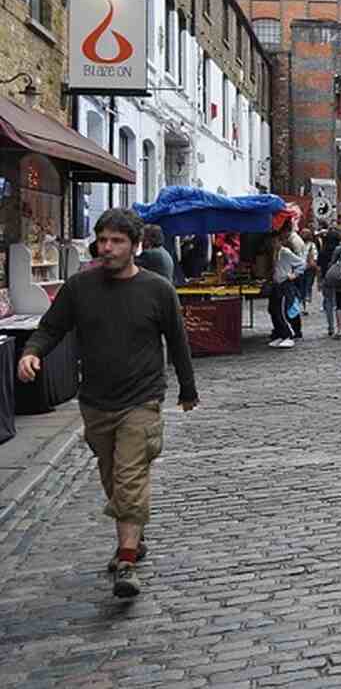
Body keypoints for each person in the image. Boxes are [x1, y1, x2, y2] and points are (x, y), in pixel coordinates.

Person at [18, 208, 197, 599]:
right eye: (103, 240)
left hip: (142, 400)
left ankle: (127, 560)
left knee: (130, 477)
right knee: (113, 478)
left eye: (117, 241)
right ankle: (135, 533)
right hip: (96, 401)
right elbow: (51, 328)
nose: (107, 248)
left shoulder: (157, 290)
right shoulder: (80, 288)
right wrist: (32, 352)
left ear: (135, 246)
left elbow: (178, 341)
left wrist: (187, 389)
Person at [269, 230, 305, 348]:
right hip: (277, 284)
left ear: (280, 241)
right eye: (272, 242)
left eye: (275, 241)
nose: (273, 244)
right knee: (274, 310)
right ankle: (281, 333)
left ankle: (290, 335)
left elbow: (301, 263)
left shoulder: (285, 252)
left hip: (285, 284)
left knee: (283, 311)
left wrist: (294, 274)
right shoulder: (275, 252)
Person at [317, 228, 341, 337]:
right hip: (340, 279)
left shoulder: (323, 251)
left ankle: (331, 326)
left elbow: (318, 268)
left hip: (326, 278)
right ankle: (340, 325)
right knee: (339, 303)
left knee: (328, 303)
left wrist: (318, 281)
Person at [299, 228, 319, 315]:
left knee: (305, 287)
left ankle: (304, 306)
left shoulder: (302, 244)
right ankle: (305, 306)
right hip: (306, 269)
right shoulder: (311, 245)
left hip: (305, 269)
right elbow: (315, 257)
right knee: (305, 287)